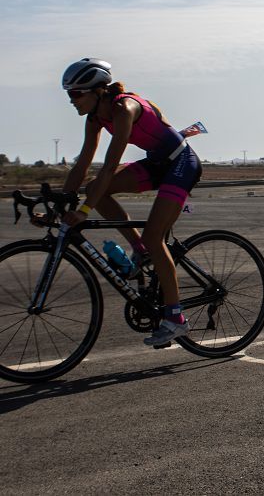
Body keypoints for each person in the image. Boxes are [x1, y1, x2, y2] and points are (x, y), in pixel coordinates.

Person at [60, 58, 203, 346]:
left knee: (154, 237)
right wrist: (60, 204)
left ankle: (175, 319)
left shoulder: (124, 108)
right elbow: (82, 165)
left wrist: (84, 212)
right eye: (68, 95)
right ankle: (140, 250)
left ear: (98, 90)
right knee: (93, 189)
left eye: (76, 94)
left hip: (181, 163)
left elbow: (110, 165)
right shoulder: (95, 118)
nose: (71, 101)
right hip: (156, 163)